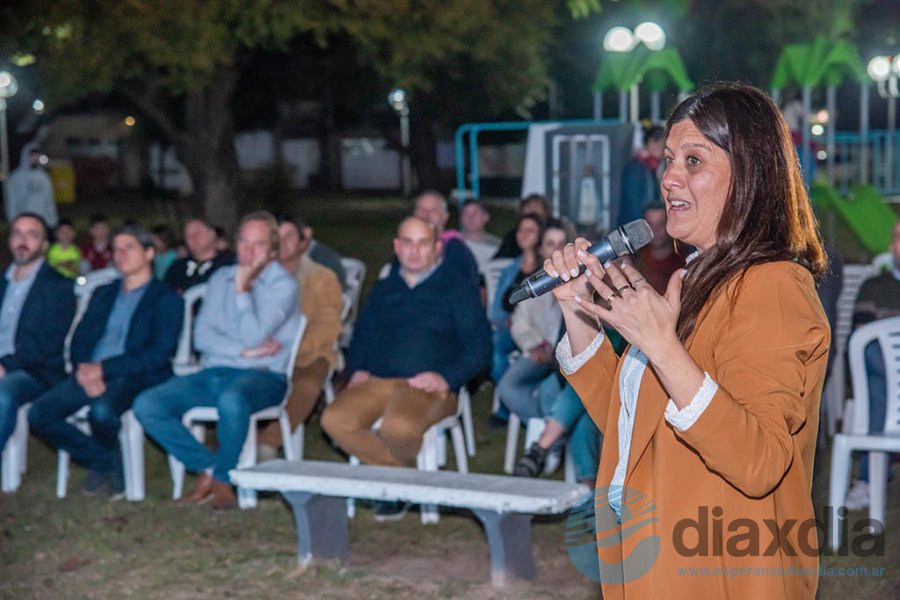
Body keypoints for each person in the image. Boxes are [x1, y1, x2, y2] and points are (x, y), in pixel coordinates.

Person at [543, 82, 829, 598]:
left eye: (693, 160)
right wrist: (577, 311)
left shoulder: (774, 285)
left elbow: (759, 460)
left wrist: (663, 347)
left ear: (749, 174)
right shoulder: (694, 277)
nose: (669, 176)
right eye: (669, 159)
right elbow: (632, 419)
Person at [321, 216, 491, 521]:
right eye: (408, 243)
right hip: (377, 381)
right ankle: (411, 483)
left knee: (397, 428)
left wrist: (446, 378)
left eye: (423, 243)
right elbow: (362, 335)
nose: (414, 251)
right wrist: (357, 367)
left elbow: (480, 348)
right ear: (397, 248)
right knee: (334, 419)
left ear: (437, 247)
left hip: (428, 386)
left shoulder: (457, 289)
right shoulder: (385, 289)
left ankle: (394, 490)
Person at [133, 212, 300, 510]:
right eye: (244, 242)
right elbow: (202, 338)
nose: (248, 252)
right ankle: (207, 468)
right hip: (217, 371)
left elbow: (253, 334)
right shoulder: (219, 279)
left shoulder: (283, 286)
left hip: (265, 376)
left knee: (232, 400)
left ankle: (224, 480)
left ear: (273, 250)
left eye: (258, 244)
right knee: (148, 404)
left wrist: (242, 291)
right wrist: (242, 353)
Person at [29, 226, 183, 499]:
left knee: (100, 412)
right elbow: (80, 339)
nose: (119, 255)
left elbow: (159, 353)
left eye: (129, 248)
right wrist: (84, 368)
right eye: (117, 249)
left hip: (137, 374)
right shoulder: (104, 293)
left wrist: (104, 369)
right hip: (90, 371)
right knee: (40, 413)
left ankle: (105, 466)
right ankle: (107, 462)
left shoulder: (166, 298)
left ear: (149, 253)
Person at [257, 215, 343, 459]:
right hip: (263, 356)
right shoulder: (258, 277)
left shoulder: (322, 277)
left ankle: (267, 442)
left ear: (303, 242)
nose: (283, 243)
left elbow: (328, 325)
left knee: (307, 385)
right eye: (277, 237)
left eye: (289, 236)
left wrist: (294, 350)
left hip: (309, 353)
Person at [0, 214, 75, 455]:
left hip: (34, 371)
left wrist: (4, 366)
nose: (23, 241)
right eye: (18, 233)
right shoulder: (2, 282)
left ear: (44, 245)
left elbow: (46, 345)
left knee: (2, 395)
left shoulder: (57, 286)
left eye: (32, 235)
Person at [843, 221, 900, 510]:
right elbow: (861, 342)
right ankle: (868, 480)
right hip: (885, 383)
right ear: (892, 247)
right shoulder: (874, 287)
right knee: (879, 371)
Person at [496, 220, 568, 429]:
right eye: (550, 244)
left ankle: (551, 434)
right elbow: (519, 324)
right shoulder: (533, 284)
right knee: (508, 386)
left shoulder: (583, 283)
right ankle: (550, 430)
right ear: (541, 249)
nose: (558, 250)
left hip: (567, 360)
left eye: (563, 243)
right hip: (539, 351)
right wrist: (535, 345)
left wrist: (554, 351)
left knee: (550, 390)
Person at [403, 190, 479, 289]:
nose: (426, 215)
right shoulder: (404, 249)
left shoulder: (455, 250)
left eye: (433, 210)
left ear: (445, 217)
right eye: (422, 209)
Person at [163, 218, 233, 293]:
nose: (193, 237)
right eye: (188, 235)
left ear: (211, 234)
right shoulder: (177, 268)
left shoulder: (229, 264)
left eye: (198, 232)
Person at [633, 202, 686, 294]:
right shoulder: (634, 258)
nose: (655, 230)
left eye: (661, 224)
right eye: (650, 224)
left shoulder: (686, 258)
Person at [617, 125, 665, 227]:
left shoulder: (659, 167)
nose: (660, 146)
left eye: (663, 143)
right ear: (646, 143)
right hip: (637, 228)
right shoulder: (636, 167)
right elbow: (632, 205)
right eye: (656, 141)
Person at [5, 143, 58, 228]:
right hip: (22, 219)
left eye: (37, 156)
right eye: (32, 156)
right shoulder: (16, 177)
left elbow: (49, 199)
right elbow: (12, 200)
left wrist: (52, 219)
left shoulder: (44, 177)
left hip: (41, 220)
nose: (35, 158)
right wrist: (12, 218)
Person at [494, 194, 551, 259]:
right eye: (529, 206)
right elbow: (500, 259)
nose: (533, 209)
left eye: (537, 206)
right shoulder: (512, 237)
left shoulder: (550, 234)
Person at [459, 199, 500, 273]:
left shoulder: (497, 245)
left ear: (486, 217)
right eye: (465, 213)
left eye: (475, 213)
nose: (470, 218)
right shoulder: (453, 243)